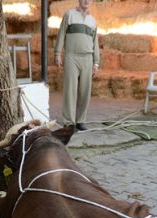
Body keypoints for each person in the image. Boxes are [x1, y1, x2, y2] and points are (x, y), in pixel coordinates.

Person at [54, 0, 100, 131]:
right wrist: (58, 53)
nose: (86, 1)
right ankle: (69, 122)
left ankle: (80, 121)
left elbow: (95, 43)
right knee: (70, 90)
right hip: (71, 56)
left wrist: (96, 63)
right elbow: (61, 34)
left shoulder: (93, 21)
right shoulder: (69, 15)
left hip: (88, 58)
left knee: (85, 91)